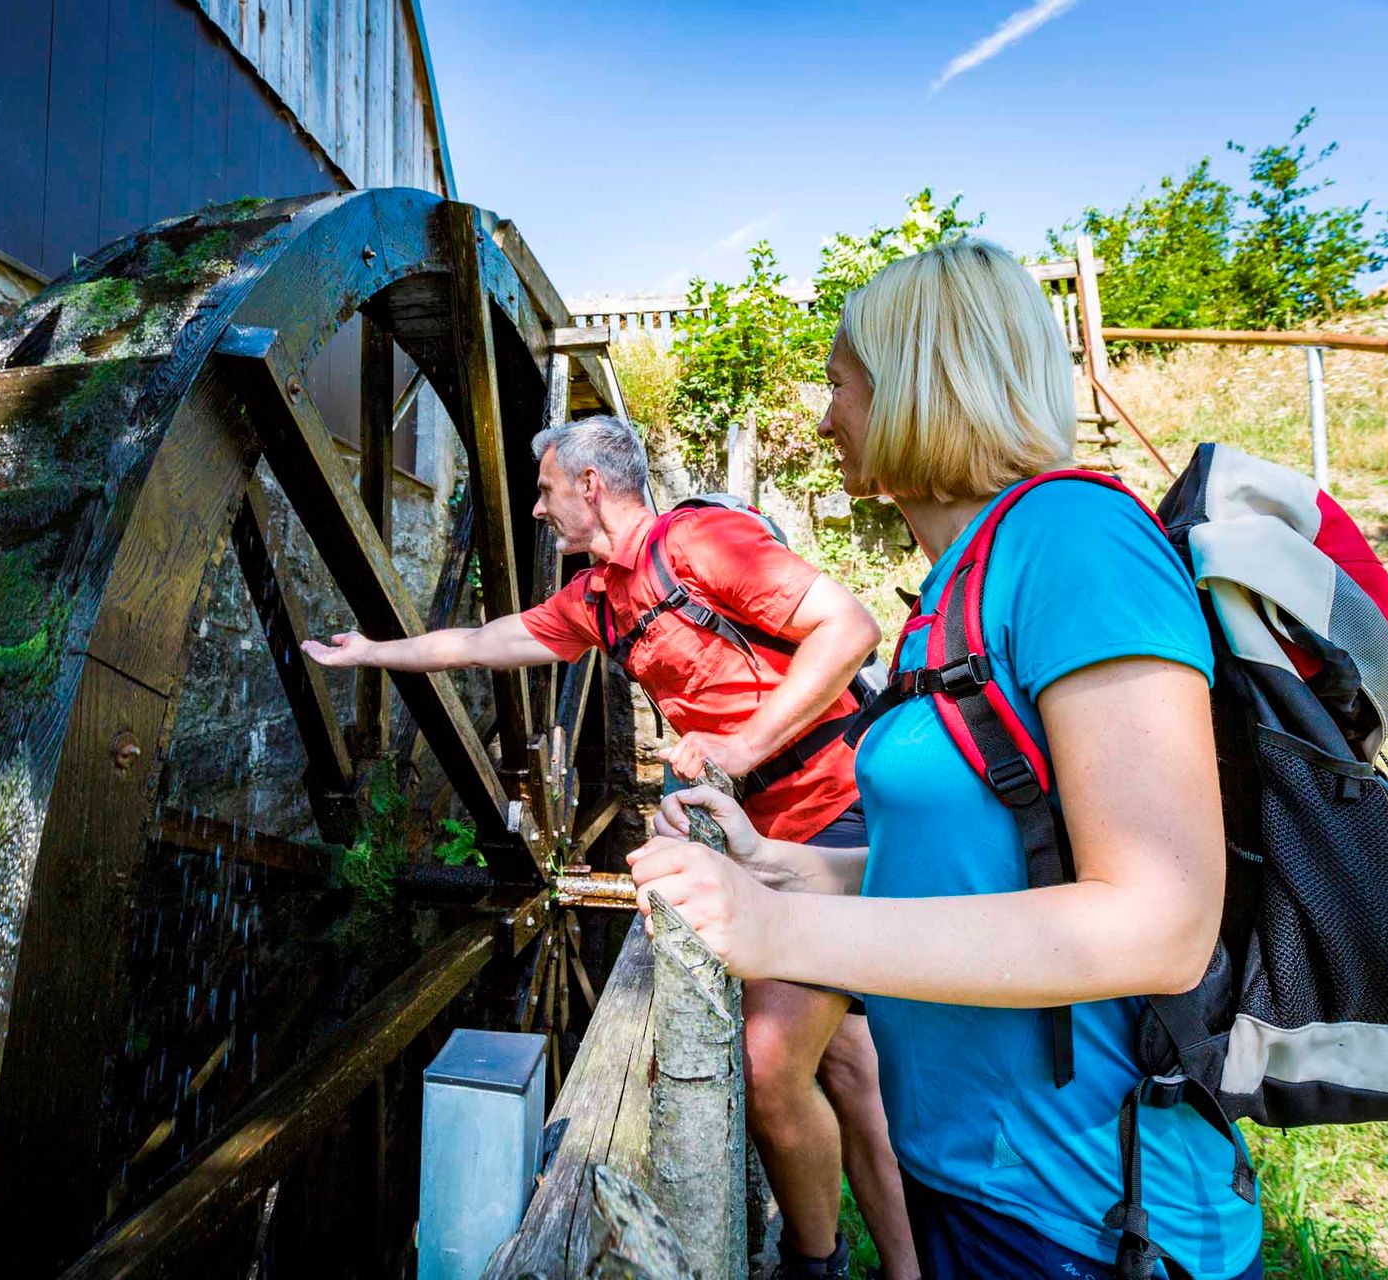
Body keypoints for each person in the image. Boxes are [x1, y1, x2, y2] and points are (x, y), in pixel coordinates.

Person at [629, 237, 1263, 1279]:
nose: (825, 417)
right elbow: (990, 859)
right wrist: (787, 867)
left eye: (840, 383)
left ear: (916, 382)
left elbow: (1161, 921)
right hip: (969, 1176)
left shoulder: (1076, 541)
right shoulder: (958, 584)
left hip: (1088, 1219)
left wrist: (783, 929)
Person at [303, 416, 919, 1279]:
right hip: (763, 833)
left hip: (837, 812)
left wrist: (740, 749)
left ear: (591, 485)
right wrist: (373, 652)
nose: (538, 508)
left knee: (770, 1065)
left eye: (547, 489)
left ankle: (811, 1262)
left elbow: (849, 627)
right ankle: (906, 1268)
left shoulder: (700, 543)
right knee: (848, 1069)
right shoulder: (599, 598)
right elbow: (483, 643)